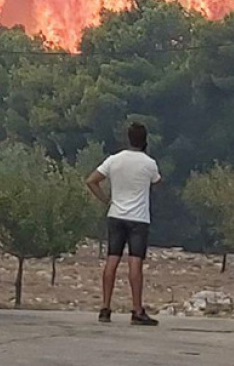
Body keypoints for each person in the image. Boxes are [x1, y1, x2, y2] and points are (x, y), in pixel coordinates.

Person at [85, 122, 161, 326]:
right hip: (138, 218)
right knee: (135, 263)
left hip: (116, 215)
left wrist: (106, 199)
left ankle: (105, 307)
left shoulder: (114, 160)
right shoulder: (149, 163)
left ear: (127, 138)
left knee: (112, 260)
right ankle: (137, 309)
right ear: (145, 140)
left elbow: (91, 180)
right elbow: (156, 182)